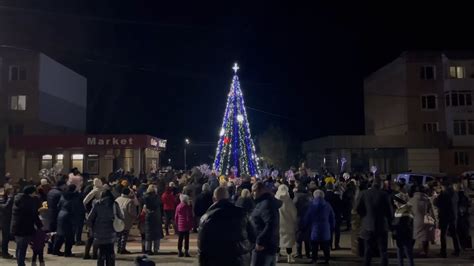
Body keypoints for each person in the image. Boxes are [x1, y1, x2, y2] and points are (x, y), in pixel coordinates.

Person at [198, 186, 255, 266]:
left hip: (216, 261)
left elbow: (202, 247)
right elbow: (252, 237)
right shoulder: (242, 214)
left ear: (214, 199)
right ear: (228, 197)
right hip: (239, 260)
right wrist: (245, 249)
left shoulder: (206, 218)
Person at [356, 177, 393, 266]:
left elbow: (357, 208)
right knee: (383, 251)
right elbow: (389, 211)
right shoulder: (384, 195)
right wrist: (390, 222)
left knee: (368, 250)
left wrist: (364, 216)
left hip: (367, 225)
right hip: (381, 225)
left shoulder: (364, 193)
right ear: (380, 184)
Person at [87, 189, 123, 266]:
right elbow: (121, 216)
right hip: (111, 231)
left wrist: (91, 228)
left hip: (99, 232)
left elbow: (90, 218)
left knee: (101, 252)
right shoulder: (114, 204)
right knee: (110, 251)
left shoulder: (97, 204)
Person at [250, 182, 281, 266]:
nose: (252, 193)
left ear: (261, 190)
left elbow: (271, 224)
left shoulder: (266, 204)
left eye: (254, 190)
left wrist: (260, 242)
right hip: (269, 245)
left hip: (263, 247)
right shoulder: (264, 202)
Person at [11, 185, 43, 266]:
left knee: (19, 247)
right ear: (31, 192)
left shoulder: (18, 198)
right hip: (25, 228)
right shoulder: (29, 202)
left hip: (16, 227)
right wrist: (40, 226)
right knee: (23, 248)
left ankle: (20, 263)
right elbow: (34, 215)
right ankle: (21, 264)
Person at [304, 190, 335, 264]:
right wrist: (332, 226)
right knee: (325, 245)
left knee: (314, 245)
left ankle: (314, 259)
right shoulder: (327, 205)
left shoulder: (311, 205)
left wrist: (304, 225)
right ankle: (327, 259)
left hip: (314, 228)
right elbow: (332, 217)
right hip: (325, 228)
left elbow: (307, 217)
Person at [434, 181, 461, 257]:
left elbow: (436, 203)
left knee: (443, 235)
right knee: (454, 234)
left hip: (444, 216)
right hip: (452, 216)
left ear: (443, 186)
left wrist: (436, 196)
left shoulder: (443, 194)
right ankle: (457, 250)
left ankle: (443, 252)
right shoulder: (453, 193)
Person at [408, 185, 434, 257]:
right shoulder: (427, 200)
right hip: (426, 220)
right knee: (425, 237)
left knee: (412, 236)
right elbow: (431, 211)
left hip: (415, 220)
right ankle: (425, 251)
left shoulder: (412, 200)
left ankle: (409, 250)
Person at [274, 184, 297, 263]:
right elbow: (294, 213)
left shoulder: (275, 200)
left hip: (277, 223)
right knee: (288, 242)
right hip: (288, 224)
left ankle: (277, 257)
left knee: (277, 241)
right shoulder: (288, 201)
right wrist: (294, 221)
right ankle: (289, 257)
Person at [54, 184, 78, 257]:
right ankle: (67, 252)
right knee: (69, 236)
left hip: (61, 215)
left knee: (60, 234)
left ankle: (56, 249)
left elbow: (58, 205)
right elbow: (75, 208)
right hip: (69, 216)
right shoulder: (74, 197)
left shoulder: (62, 195)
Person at [83, 178, 104, 259]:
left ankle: (87, 253)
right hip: (99, 215)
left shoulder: (94, 190)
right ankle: (94, 254)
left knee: (90, 235)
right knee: (97, 236)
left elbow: (85, 201)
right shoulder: (102, 190)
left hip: (92, 214)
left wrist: (87, 210)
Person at [392, 193, 415, 266]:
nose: (394, 202)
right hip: (400, 234)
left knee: (407, 253)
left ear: (399, 201)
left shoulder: (406, 210)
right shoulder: (400, 209)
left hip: (405, 234)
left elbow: (405, 223)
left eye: (395, 201)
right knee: (400, 252)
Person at [115, 187, 138, 254]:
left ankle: (118, 248)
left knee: (119, 235)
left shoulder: (117, 199)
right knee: (124, 235)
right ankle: (122, 248)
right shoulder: (129, 201)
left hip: (118, 219)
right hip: (126, 220)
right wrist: (135, 217)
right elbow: (131, 212)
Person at [46, 180, 67, 254]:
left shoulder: (50, 191)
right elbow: (61, 205)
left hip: (50, 213)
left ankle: (49, 248)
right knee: (58, 233)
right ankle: (56, 249)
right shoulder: (60, 194)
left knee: (51, 232)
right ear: (62, 185)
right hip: (57, 214)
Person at [143, 185, 163, 255]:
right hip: (156, 215)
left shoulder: (145, 196)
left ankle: (148, 249)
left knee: (148, 233)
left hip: (148, 215)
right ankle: (156, 249)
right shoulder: (157, 197)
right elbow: (159, 204)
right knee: (156, 234)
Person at [293, 184, 311, 259]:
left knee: (298, 237)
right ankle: (308, 253)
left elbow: (293, 207)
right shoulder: (309, 197)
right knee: (307, 237)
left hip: (299, 218)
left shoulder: (296, 197)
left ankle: (299, 253)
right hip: (308, 218)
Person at [324, 182, 343, 250]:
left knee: (329, 231)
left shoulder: (324, 196)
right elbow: (341, 206)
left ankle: (330, 245)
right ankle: (336, 244)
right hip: (336, 215)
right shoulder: (336, 196)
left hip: (327, 216)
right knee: (337, 231)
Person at [456, 183, 471, 250]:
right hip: (464, 216)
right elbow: (468, 205)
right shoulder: (465, 197)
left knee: (461, 232)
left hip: (460, 216)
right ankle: (465, 246)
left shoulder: (458, 196)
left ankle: (463, 246)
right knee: (465, 231)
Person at [0, 187, 14, 259]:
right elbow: (6, 207)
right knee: (6, 237)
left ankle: (3, 252)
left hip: (4, 219)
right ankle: (4, 253)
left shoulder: (3, 198)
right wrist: (10, 198)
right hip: (5, 220)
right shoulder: (8, 198)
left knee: (5, 237)